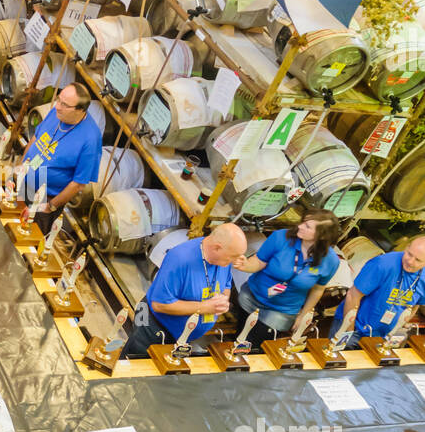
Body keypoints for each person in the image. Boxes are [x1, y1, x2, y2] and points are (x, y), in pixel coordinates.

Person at [122, 223, 249, 358]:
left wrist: (222, 300)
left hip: (182, 336)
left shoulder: (223, 261)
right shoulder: (180, 259)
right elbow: (159, 304)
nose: (235, 261)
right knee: (133, 363)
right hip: (153, 328)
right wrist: (204, 307)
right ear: (217, 248)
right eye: (233, 256)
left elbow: (226, 285)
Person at [235, 211, 341, 347]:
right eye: (303, 222)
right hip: (252, 297)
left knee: (254, 344)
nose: (300, 226)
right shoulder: (280, 237)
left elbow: (318, 289)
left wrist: (303, 315)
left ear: (322, 236)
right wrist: (245, 265)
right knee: (239, 334)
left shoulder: (330, 261)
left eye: (307, 226)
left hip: (282, 311)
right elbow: (259, 261)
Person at [20, 83, 103, 232]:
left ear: (81, 110)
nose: (58, 106)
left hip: (44, 200)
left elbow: (78, 183)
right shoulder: (57, 112)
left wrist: (50, 207)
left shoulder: (90, 139)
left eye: (64, 104)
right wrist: (21, 167)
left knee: (26, 238)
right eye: (59, 100)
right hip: (23, 182)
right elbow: (35, 139)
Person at [334, 236, 425, 345]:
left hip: (383, 334)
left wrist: (398, 327)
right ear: (407, 248)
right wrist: (349, 333)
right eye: (409, 254)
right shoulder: (382, 264)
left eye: (417, 260)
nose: (410, 261)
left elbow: (415, 305)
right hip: (354, 326)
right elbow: (353, 296)